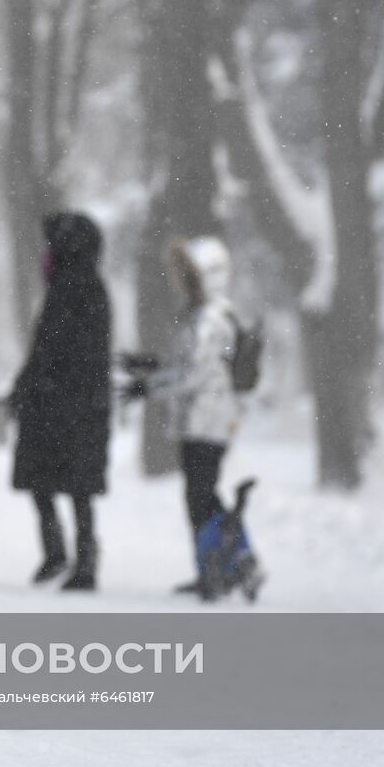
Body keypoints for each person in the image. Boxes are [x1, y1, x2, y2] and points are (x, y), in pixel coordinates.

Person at [9, 212, 111, 591]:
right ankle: (80, 556)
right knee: (78, 486)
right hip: (82, 406)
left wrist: (30, 386)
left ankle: (64, 554)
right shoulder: (91, 286)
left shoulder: (68, 288)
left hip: (56, 405)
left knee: (45, 480)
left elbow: (47, 349)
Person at [160, 236, 242, 595]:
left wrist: (151, 384)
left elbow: (192, 372)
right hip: (198, 420)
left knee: (201, 496)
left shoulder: (212, 319)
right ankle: (213, 564)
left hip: (208, 421)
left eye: (189, 274)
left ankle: (232, 563)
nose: (181, 281)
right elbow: (184, 364)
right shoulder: (199, 315)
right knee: (199, 496)